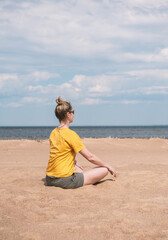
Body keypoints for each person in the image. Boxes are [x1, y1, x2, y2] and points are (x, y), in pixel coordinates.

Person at [46, 96, 117, 189]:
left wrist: (74, 162)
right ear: (68, 114)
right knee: (104, 170)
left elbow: (60, 153)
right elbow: (90, 157)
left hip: (50, 178)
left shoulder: (53, 132)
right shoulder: (70, 134)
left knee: (78, 167)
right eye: (73, 112)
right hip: (64, 180)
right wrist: (108, 165)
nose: (74, 114)